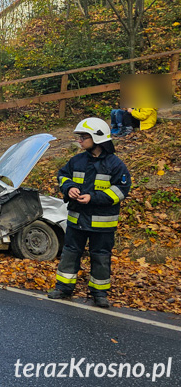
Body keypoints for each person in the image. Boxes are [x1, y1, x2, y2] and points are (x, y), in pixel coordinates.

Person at [49, 117, 131, 308]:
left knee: (101, 257)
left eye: (83, 137)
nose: (79, 140)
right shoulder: (77, 160)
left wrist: (93, 198)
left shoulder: (116, 165)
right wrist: (68, 188)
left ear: (97, 137)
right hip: (77, 219)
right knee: (70, 253)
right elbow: (62, 175)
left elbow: (121, 190)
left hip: (102, 224)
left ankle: (99, 293)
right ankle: (63, 288)